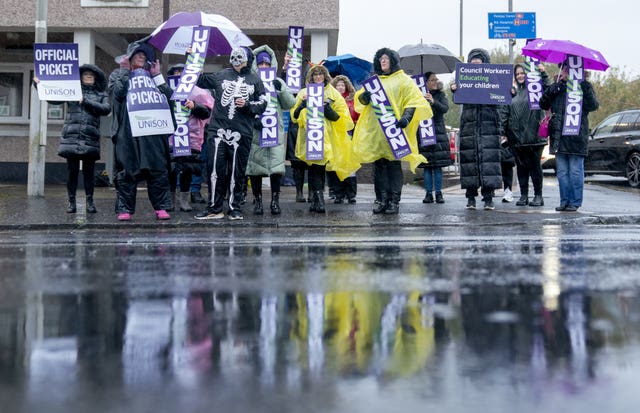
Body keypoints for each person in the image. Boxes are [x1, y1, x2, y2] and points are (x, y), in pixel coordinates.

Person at [353, 48, 431, 214]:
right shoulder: (374, 81)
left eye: (386, 58)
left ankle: (394, 201)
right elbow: (360, 100)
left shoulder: (404, 80)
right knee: (379, 166)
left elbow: (413, 100)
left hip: (394, 131)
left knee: (394, 166)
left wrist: (406, 117)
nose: (383, 61)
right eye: (380, 58)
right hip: (377, 131)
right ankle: (381, 200)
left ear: (393, 61)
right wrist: (364, 97)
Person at [195, 46, 268, 220]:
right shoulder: (221, 75)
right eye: (234, 56)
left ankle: (234, 207)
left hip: (242, 131)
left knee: (237, 171)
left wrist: (248, 104)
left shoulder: (255, 80)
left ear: (247, 59)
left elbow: (264, 103)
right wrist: (194, 58)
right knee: (215, 168)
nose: (236, 59)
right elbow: (198, 80)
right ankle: (214, 207)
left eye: (240, 56)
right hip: (218, 129)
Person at [109, 42, 174, 221]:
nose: (142, 57)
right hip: (128, 131)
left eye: (144, 56)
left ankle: (161, 207)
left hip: (152, 133)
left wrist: (158, 76)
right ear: (129, 58)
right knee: (127, 170)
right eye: (138, 54)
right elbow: (117, 94)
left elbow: (170, 98)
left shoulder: (153, 77)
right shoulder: (119, 74)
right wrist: (123, 71)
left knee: (157, 169)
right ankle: (125, 209)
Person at [34, 64, 111, 214]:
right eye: (85, 74)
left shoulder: (101, 94)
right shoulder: (72, 90)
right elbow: (53, 98)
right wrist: (38, 85)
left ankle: (90, 202)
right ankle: (71, 202)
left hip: (90, 137)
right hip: (72, 137)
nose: (89, 76)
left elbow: (106, 109)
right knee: (72, 172)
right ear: (80, 77)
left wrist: (86, 102)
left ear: (95, 78)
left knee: (89, 172)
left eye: (91, 75)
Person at [290, 64, 358, 213]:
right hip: (310, 137)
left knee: (320, 167)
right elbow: (294, 116)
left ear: (325, 76)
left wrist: (327, 109)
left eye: (321, 74)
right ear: (311, 77)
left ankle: (319, 199)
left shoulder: (333, 94)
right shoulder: (303, 92)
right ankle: (316, 199)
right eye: (315, 75)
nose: (318, 77)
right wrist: (303, 104)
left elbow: (342, 117)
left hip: (326, 138)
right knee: (314, 168)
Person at [540, 61, 599, 212]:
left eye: (571, 69)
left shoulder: (584, 86)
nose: (568, 72)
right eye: (565, 69)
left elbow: (593, 105)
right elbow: (542, 103)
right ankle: (564, 201)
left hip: (577, 137)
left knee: (575, 171)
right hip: (559, 136)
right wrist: (556, 87)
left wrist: (584, 85)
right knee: (562, 172)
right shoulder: (557, 86)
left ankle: (575, 202)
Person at [246, 46, 296, 215]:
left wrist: (280, 90)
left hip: (275, 131)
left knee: (276, 169)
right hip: (256, 133)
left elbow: (290, 104)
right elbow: (243, 105)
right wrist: (253, 119)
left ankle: (275, 201)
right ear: (255, 65)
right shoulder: (249, 81)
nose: (264, 67)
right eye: (261, 64)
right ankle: (258, 201)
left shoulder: (278, 81)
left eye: (267, 63)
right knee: (255, 169)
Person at [451, 48, 502, 210]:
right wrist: (454, 90)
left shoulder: (495, 79)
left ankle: (488, 197)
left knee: (489, 163)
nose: (475, 67)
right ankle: (471, 197)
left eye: (478, 64)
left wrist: (511, 92)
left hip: (489, 126)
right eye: (472, 64)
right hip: (469, 126)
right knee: (469, 163)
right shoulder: (464, 80)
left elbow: (502, 97)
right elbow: (457, 99)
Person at [500, 63, 550, 207]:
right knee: (521, 168)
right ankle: (523, 195)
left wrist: (543, 74)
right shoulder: (512, 93)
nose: (520, 76)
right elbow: (505, 112)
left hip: (534, 137)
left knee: (535, 167)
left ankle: (538, 196)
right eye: (518, 74)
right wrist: (503, 132)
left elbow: (548, 90)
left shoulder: (536, 90)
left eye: (523, 73)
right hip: (516, 138)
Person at [166, 63, 214, 212]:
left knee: (187, 168)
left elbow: (207, 113)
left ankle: (184, 200)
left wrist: (194, 105)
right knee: (172, 169)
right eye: (176, 71)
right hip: (172, 137)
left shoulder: (199, 92)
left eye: (182, 71)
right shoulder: (168, 91)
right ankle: (170, 199)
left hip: (191, 137)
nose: (179, 74)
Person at [418, 71, 451, 204]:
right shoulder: (419, 95)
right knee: (427, 166)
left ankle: (438, 193)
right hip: (424, 132)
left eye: (436, 79)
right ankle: (428, 194)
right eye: (432, 80)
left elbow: (444, 108)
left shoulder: (441, 95)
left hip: (438, 133)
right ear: (426, 83)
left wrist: (433, 101)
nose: (435, 82)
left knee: (437, 166)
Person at [329, 75, 359, 204]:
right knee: (336, 163)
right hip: (334, 134)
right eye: (338, 85)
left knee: (349, 163)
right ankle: (338, 193)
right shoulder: (330, 100)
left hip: (349, 133)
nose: (340, 87)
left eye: (343, 85)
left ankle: (351, 193)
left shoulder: (353, 101)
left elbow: (358, 115)